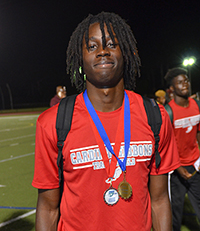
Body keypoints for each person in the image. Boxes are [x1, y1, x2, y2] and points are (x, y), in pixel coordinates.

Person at [32, 12, 181, 231]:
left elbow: (159, 200)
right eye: (92, 47)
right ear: (80, 58)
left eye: (112, 44)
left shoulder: (155, 116)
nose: (102, 51)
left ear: (126, 53)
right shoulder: (53, 122)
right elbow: (47, 208)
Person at [164, 67, 200, 231]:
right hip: (175, 171)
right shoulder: (168, 112)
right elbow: (164, 146)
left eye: (186, 80)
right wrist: (179, 168)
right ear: (172, 89)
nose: (185, 84)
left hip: (195, 167)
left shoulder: (196, 105)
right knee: (175, 214)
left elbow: (198, 132)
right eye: (179, 82)